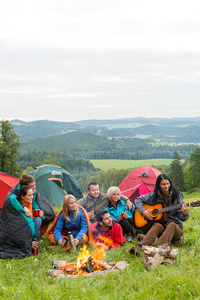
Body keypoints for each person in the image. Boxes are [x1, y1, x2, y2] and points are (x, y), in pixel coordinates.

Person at [135, 173, 189, 247]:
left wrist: (185, 213)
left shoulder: (177, 195)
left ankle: (157, 247)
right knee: (157, 225)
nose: (166, 186)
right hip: (163, 229)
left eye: (168, 183)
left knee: (171, 225)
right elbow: (138, 199)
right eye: (163, 184)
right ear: (159, 185)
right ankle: (142, 246)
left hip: (176, 229)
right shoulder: (155, 195)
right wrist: (143, 211)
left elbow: (182, 218)